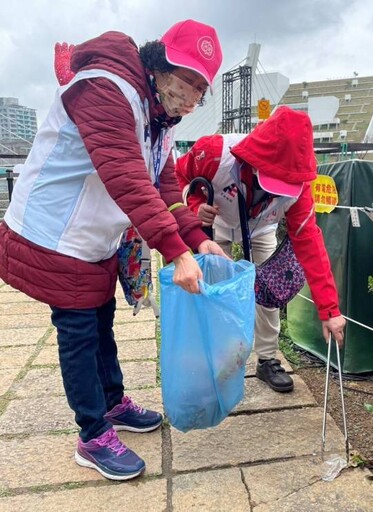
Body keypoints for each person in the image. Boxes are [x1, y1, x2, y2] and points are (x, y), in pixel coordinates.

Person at [0, 19, 227, 481]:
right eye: (185, 80)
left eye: (200, 89)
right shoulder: (106, 87)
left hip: (93, 233)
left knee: (101, 318)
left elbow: (164, 187)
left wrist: (198, 240)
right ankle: (92, 433)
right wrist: (176, 252)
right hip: (56, 230)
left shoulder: (158, 115)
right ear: (160, 65)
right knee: (79, 330)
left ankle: (113, 400)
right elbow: (125, 175)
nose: (191, 96)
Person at [175, 106, 346, 393]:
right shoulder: (214, 153)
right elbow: (177, 177)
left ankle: (267, 359)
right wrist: (193, 207)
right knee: (219, 294)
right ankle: (222, 361)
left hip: (262, 227)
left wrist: (329, 310)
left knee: (268, 293)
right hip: (217, 223)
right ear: (252, 159)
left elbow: (310, 245)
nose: (279, 191)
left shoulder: (301, 188)